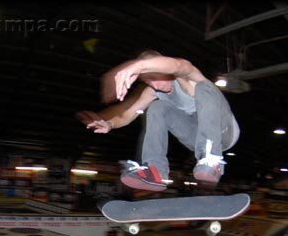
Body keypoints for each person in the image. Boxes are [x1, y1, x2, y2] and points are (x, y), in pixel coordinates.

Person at [77, 50, 240, 191]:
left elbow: (178, 65)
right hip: (195, 137)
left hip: (224, 131)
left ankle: (211, 159)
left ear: (164, 68)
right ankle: (155, 171)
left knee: (204, 86)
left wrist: (139, 65)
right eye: (149, 81)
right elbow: (128, 114)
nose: (156, 84)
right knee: (157, 107)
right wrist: (109, 124)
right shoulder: (152, 92)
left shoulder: (185, 76)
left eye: (157, 76)